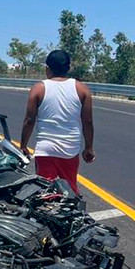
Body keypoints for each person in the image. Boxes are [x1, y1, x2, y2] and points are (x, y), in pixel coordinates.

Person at [19, 50, 95, 194]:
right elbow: (88, 121)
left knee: (46, 192)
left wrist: (23, 146)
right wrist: (89, 148)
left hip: (45, 149)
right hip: (70, 149)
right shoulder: (82, 89)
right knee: (70, 190)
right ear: (68, 68)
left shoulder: (38, 89)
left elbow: (29, 120)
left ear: (47, 69)